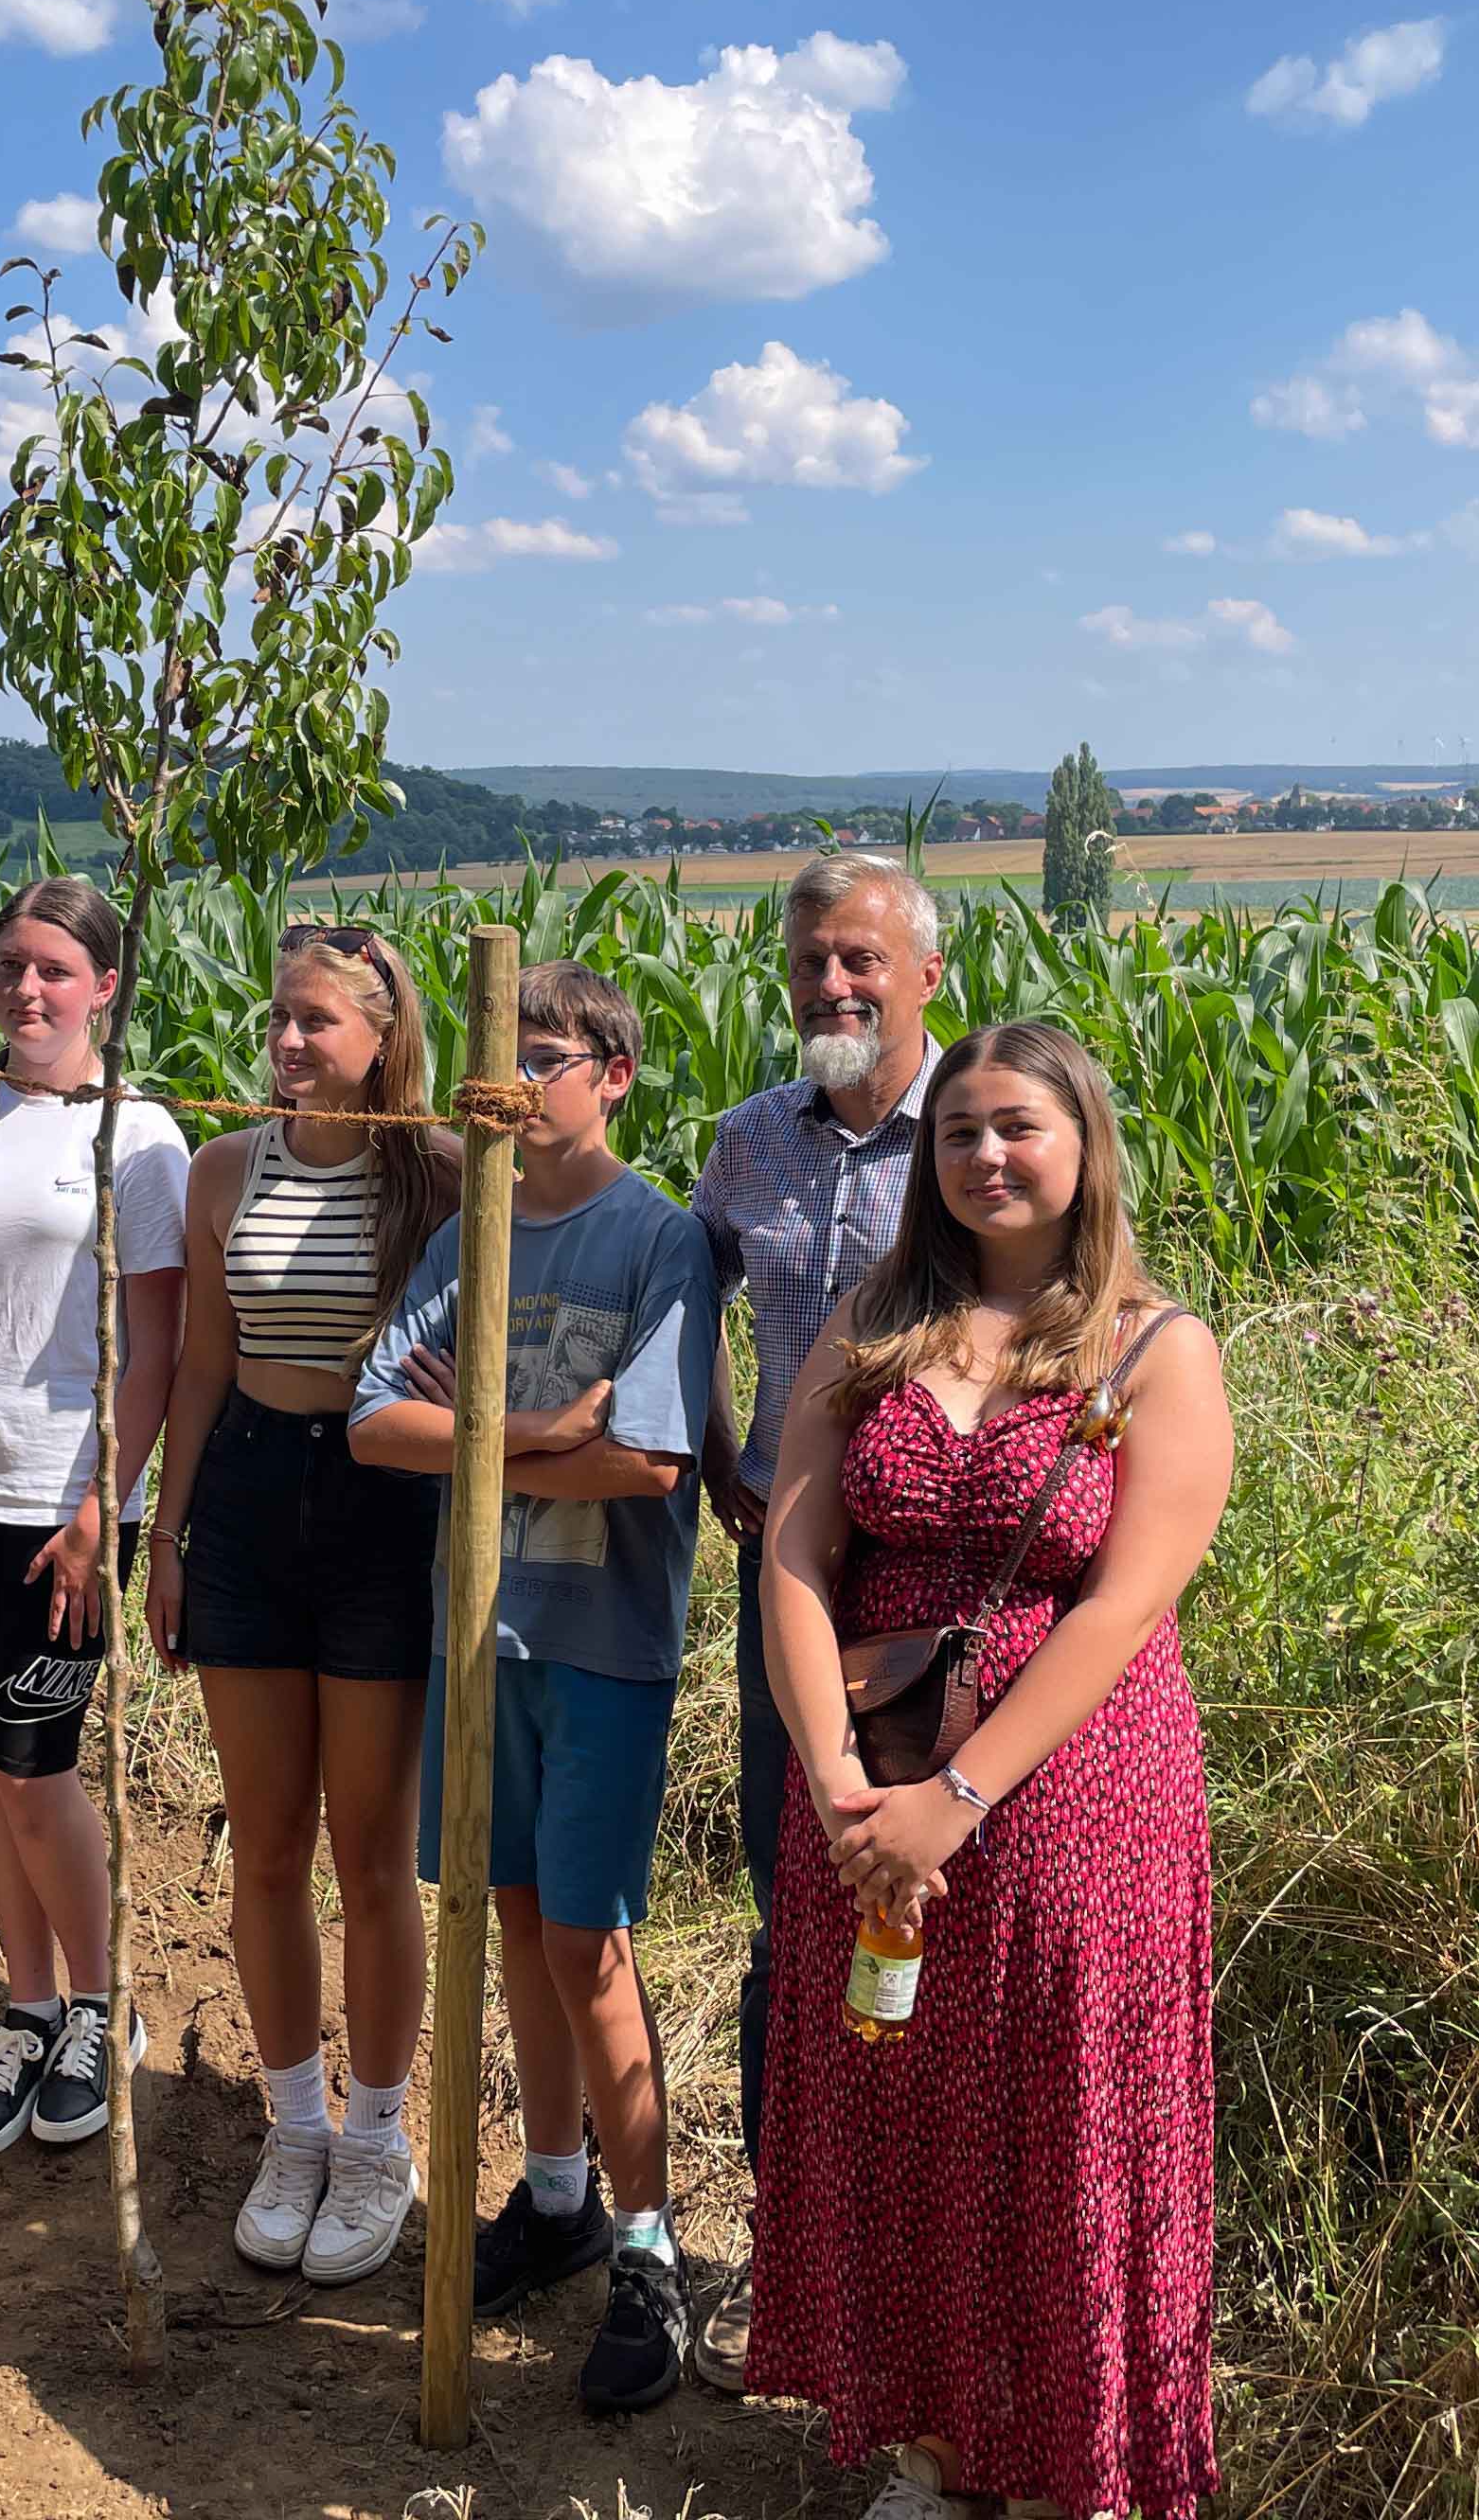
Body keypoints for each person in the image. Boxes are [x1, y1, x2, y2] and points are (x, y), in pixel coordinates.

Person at [746, 1020, 1233, 2520]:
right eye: (957, 1132)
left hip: (1079, 1800)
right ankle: (938, 2452)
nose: (984, 1157)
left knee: (1061, 2124)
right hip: (869, 1788)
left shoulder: (1159, 1350)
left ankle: (1066, 2466)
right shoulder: (874, 1327)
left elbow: (1125, 1602)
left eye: (1016, 1126)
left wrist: (954, 1803)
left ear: (1083, 1144)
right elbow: (796, 1551)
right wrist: (837, 1780)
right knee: (904, 2118)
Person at [352, 961, 719, 2417]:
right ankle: (558, 2192)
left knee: (590, 1944)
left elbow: (649, 1459)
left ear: (612, 1074)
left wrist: (489, 1429)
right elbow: (379, 1426)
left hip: (599, 1641)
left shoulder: (659, 1243)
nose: (509, 1089)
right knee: (509, 1926)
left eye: (546, 1056)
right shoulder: (463, 1237)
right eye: (495, 1065)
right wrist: (537, 1423)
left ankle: (648, 2248)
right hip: (476, 1638)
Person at [150, 921, 460, 2285]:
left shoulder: (443, 1176)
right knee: (266, 1846)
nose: (285, 1043)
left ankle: (379, 2136)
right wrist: (168, 1532)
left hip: (387, 1510)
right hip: (250, 1500)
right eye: (278, 1019)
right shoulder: (224, 1171)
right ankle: (293, 2128)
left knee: (372, 1854)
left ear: (382, 1039)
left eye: (316, 1023)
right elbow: (202, 1365)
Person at [686, 848, 948, 2389]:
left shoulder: (979, 1135)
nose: (833, 989)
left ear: (926, 975)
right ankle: (801, 2265)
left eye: (860, 961)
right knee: (802, 1910)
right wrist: (722, 1452)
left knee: (940, 1917)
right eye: (810, 968)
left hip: (940, 1592)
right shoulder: (743, 1147)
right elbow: (685, 1306)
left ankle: (926, 2278)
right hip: (791, 1584)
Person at [0, 878, 188, 2165]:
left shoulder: (137, 1139)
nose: (29, 990)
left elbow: (155, 1351)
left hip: (54, 1501)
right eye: (12, 965)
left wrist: (98, 1507)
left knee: (37, 1766)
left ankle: (101, 1999)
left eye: (56, 971)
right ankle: (26, 2006)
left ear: (105, 988)